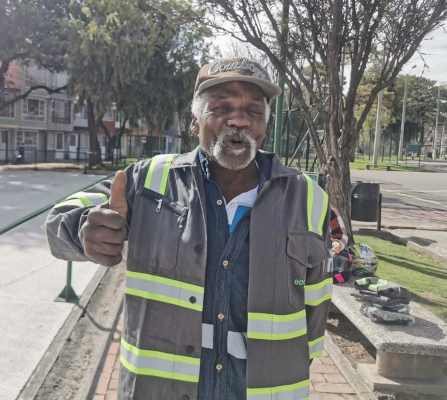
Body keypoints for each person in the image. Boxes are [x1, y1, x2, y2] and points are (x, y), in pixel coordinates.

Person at [46, 57, 333, 399]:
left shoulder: (309, 199)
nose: (239, 120)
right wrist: (84, 232)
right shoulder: (146, 181)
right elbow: (60, 218)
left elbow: (316, 308)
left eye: (254, 111)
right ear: (195, 121)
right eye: (222, 107)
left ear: (265, 125)